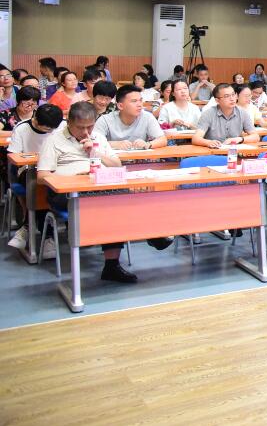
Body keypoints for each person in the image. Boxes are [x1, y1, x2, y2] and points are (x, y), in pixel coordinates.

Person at [38, 102, 171, 282]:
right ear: (69, 122)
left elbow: (116, 164)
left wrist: (95, 152)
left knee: (124, 198)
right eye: (80, 127)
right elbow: (42, 176)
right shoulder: (53, 140)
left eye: (90, 126)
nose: (86, 132)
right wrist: (74, 177)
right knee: (113, 204)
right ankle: (149, 234)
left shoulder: (98, 138)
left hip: (100, 186)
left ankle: (112, 265)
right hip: (67, 193)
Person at [5, 103, 64, 253]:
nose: (48, 132)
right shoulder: (22, 128)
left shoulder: (63, 126)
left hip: (57, 169)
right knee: (40, 185)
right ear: (35, 118)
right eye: (45, 128)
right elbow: (13, 156)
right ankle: (48, 236)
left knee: (47, 183)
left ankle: (27, 226)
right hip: (28, 170)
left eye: (50, 130)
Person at [94, 85, 168, 150]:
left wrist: (148, 144)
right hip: (114, 160)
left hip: (139, 160)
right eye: (134, 101)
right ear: (120, 106)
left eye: (140, 100)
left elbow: (163, 140)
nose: (139, 105)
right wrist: (114, 144)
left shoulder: (147, 117)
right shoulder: (105, 120)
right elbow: (94, 142)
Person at [191, 84, 257, 148]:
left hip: (234, 151)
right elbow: (196, 138)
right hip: (214, 152)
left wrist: (240, 139)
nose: (232, 99)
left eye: (233, 94)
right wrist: (208, 142)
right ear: (217, 100)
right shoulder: (208, 114)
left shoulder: (242, 113)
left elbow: (255, 136)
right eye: (226, 96)